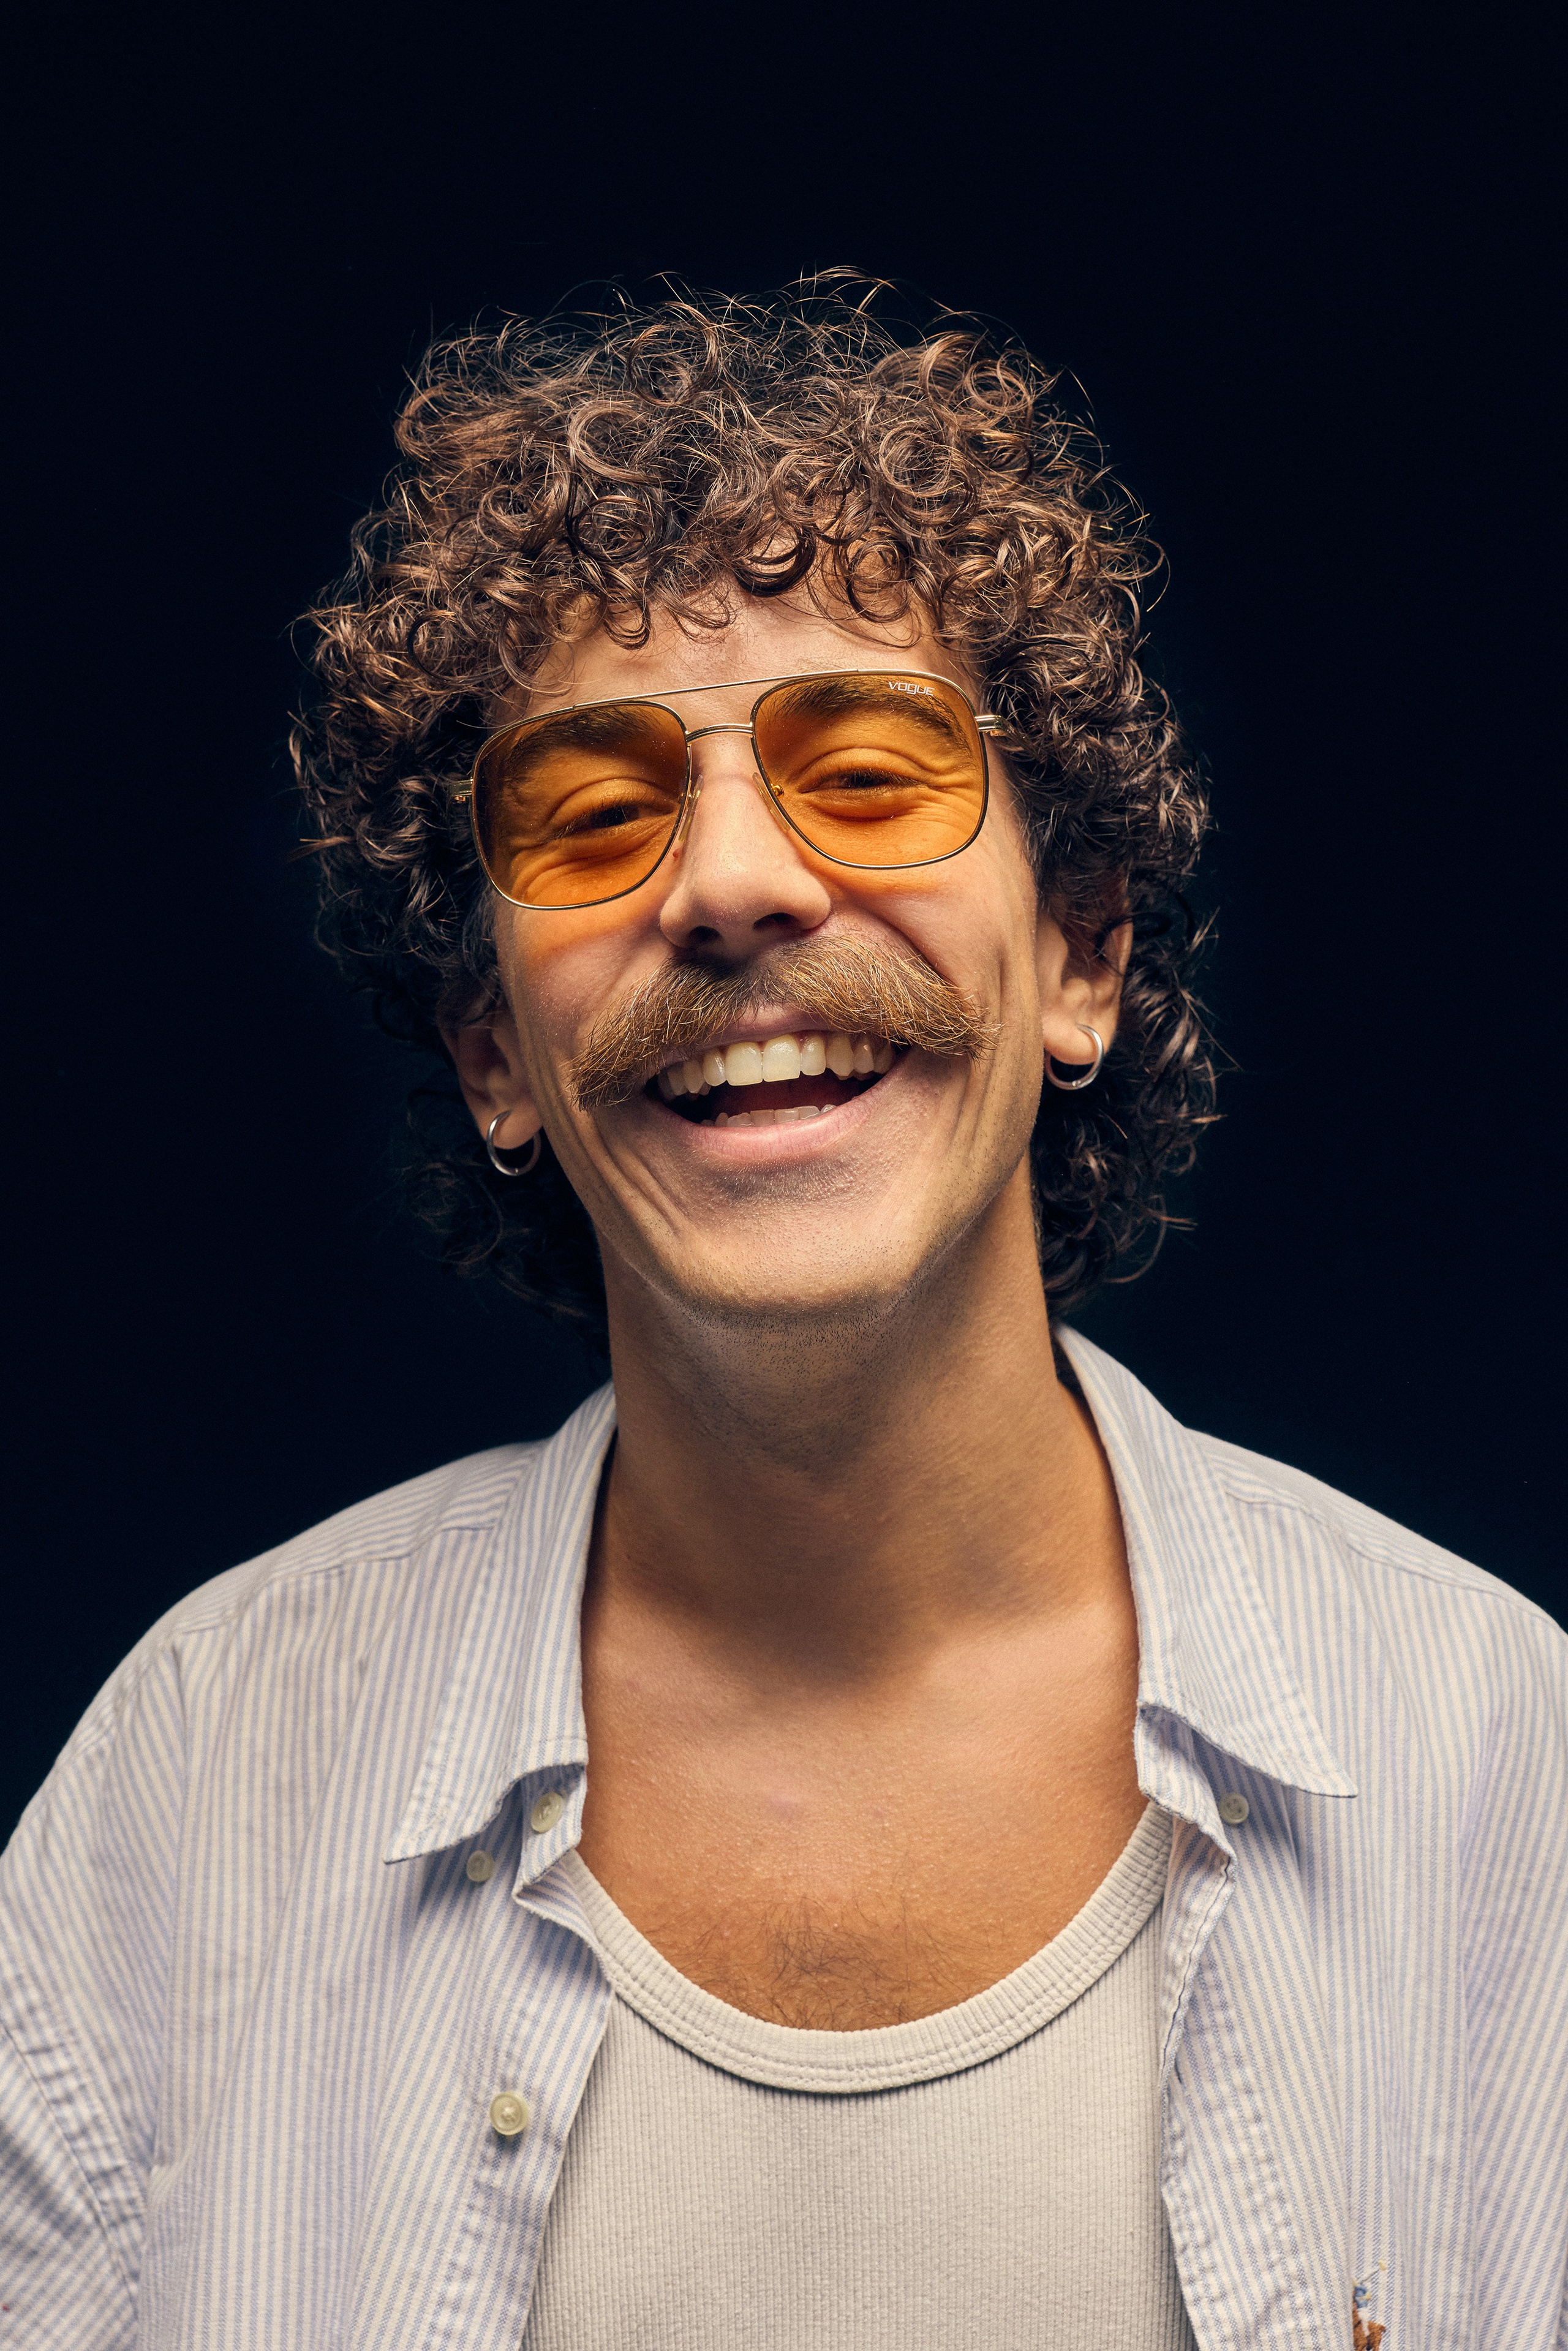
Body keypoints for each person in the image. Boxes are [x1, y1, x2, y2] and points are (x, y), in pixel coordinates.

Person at [2, 284, 1563, 2351]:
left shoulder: (1499, 1771)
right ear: (493, 1046)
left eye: (873, 769)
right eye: (590, 816)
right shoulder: (193, 1787)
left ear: (1082, 951)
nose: (732, 883)